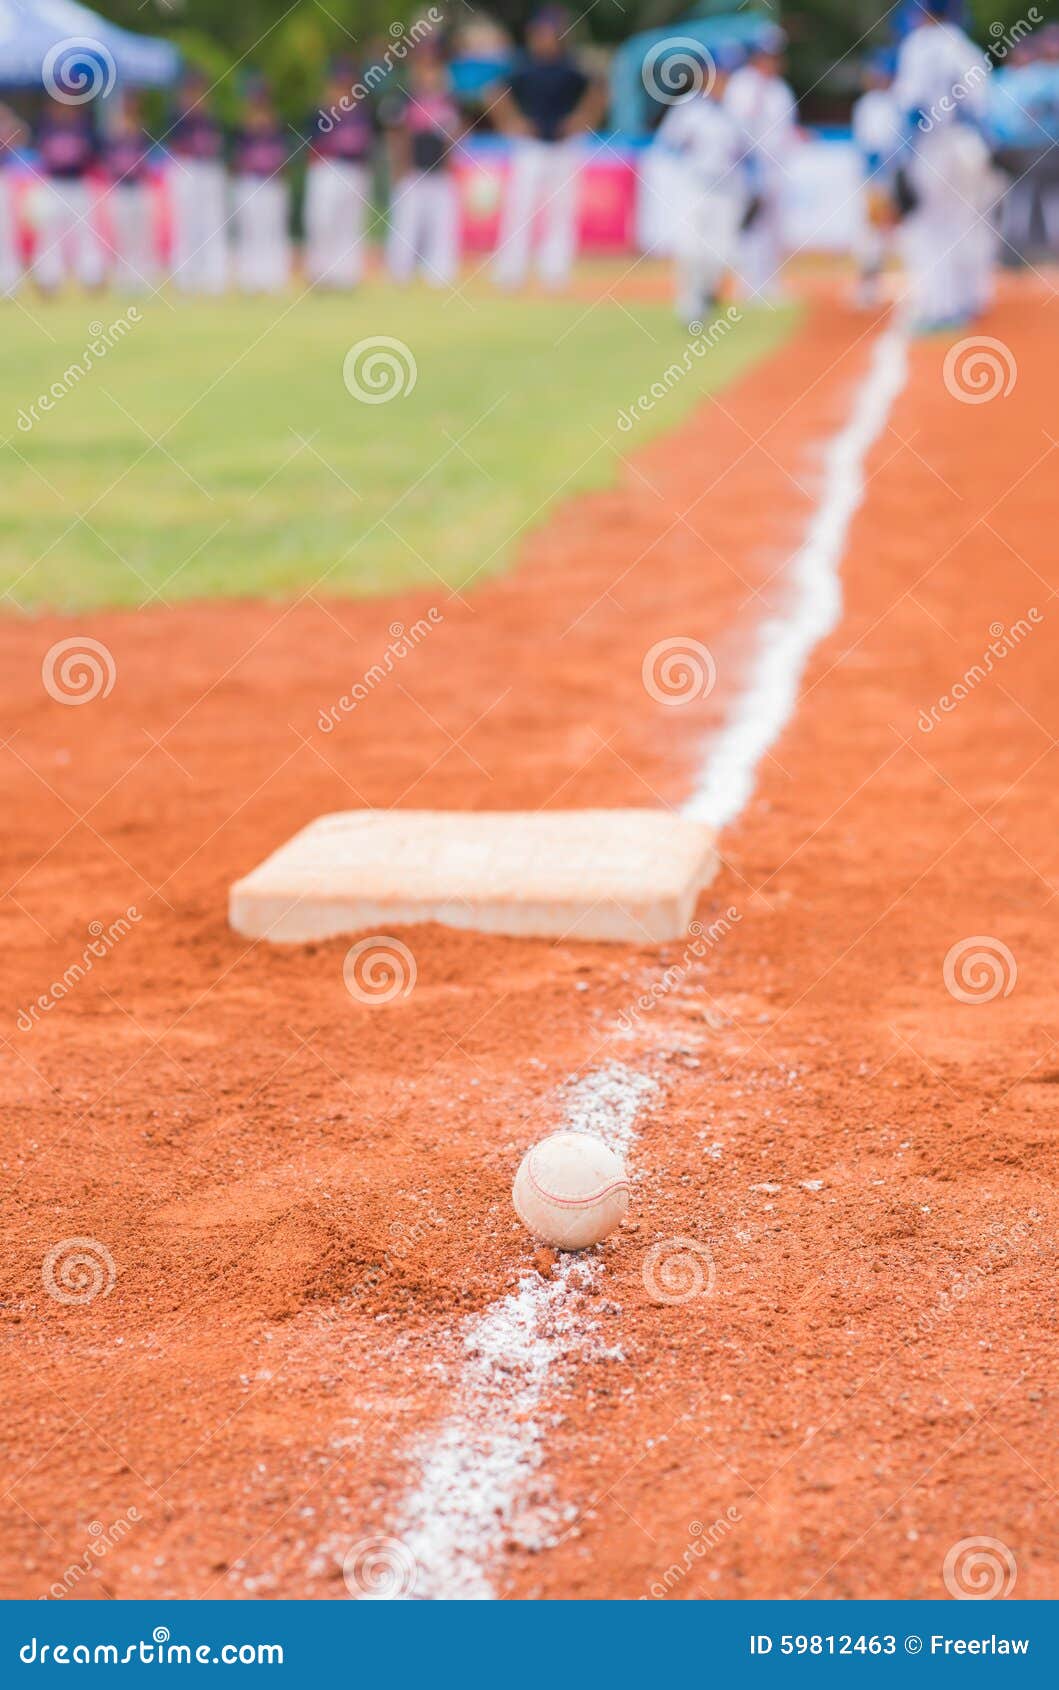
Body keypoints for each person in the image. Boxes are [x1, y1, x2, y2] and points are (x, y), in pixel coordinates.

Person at [893, 0, 994, 328]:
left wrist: (903, 158)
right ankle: (970, 298)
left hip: (933, 142)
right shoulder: (967, 48)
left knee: (929, 226)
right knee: (966, 222)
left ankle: (940, 307)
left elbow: (911, 106)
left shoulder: (919, 45)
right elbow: (982, 108)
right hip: (969, 144)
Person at [491, 7, 603, 290]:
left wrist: (583, 119)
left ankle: (555, 270)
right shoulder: (524, 67)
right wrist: (511, 121)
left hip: (563, 147)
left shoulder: (570, 67)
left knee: (561, 211)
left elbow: (598, 92)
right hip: (530, 147)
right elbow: (494, 93)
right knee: (519, 208)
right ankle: (511, 270)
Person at [652, 47, 749, 326]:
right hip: (694, 187)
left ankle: (706, 296)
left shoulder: (738, 111)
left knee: (722, 253)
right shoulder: (688, 109)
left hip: (728, 191)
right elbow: (666, 147)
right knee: (690, 248)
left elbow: (747, 153)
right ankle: (690, 306)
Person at [723, 28, 799, 300]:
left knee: (774, 228)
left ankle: (770, 282)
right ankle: (750, 284)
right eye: (767, 55)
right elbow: (736, 128)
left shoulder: (780, 90)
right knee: (752, 226)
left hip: (776, 167)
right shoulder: (742, 85)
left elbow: (785, 129)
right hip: (748, 166)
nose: (772, 61)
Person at [385, 46, 464, 287]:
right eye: (423, 66)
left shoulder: (448, 101)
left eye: (432, 67)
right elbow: (396, 136)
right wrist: (398, 169)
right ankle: (400, 274)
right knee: (406, 227)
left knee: (441, 228)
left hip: (439, 174)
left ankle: (439, 275)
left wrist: (451, 169)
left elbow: (453, 138)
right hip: (412, 172)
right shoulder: (403, 99)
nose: (428, 73)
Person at [304, 59, 376, 288]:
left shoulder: (361, 114)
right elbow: (311, 147)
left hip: (354, 170)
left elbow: (366, 146)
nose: (342, 89)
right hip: (327, 169)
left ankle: (346, 276)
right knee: (321, 221)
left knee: (350, 224)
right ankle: (319, 271)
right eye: (338, 84)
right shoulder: (320, 113)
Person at [33, 98, 105, 293]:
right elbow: (40, 153)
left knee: (86, 232)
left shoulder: (85, 126)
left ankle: (92, 276)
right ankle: (48, 279)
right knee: (49, 233)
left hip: (78, 183)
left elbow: (96, 155)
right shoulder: (45, 126)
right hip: (54, 183)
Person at [851, 53, 904, 306]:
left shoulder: (893, 101)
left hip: (894, 175)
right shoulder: (872, 104)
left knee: (893, 234)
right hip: (880, 176)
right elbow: (872, 147)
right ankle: (868, 284)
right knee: (875, 234)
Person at [168, 70, 228, 295]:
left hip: (209, 169)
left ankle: (214, 277)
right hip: (187, 167)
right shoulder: (178, 115)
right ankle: (186, 277)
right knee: (185, 223)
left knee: (212, 223)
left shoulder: (212, 116)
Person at [231, 79, 291, 294]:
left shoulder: (277, 125)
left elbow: (285, 157)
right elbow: (234, 158)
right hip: (249, 181)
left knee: (272, 230)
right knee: (249, 230)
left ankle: (273, 278)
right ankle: (250, 278)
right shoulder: (241, 127)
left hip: (272, 182)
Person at [101, 92, 157, 292]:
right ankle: (124, 280)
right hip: (120, 188)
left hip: (139, 187)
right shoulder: (112, 133)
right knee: (122, 236)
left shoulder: (143, 131)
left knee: (141, 236)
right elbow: (107, 160)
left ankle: (142, 279)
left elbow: (148, 160)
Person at [0, 103, 26, 298]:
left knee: (6, 232)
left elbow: (22, 134)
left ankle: (10, 282)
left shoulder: (7, 124)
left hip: (3, 179)